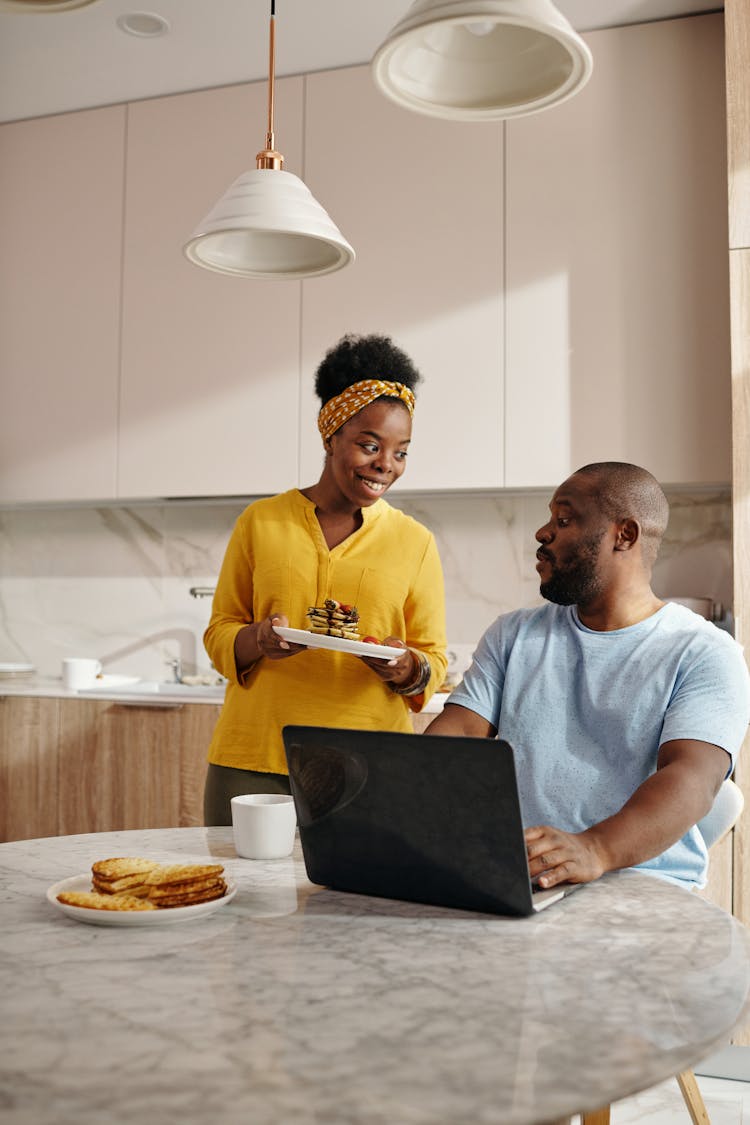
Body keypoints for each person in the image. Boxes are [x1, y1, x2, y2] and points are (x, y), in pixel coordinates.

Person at [427, 462, 750, 891]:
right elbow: (456, 738)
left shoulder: (705, 652)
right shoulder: (514, 634)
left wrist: (596, 848)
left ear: (625, 535)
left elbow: (693, 778)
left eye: (564, 520)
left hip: (642, 887)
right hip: (522, 878)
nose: (543, 534)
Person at [202, 333, 448, 825]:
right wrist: (259, 639)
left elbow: (433, 659)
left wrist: (404, 667)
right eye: (369, 444)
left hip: (371, 761)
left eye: (401, 452)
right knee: (241, 896)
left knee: (357, 900)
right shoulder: (262, 521)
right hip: (254, 758)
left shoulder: (414, 540)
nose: (386, 464)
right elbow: (219, 632)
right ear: (331, 435)